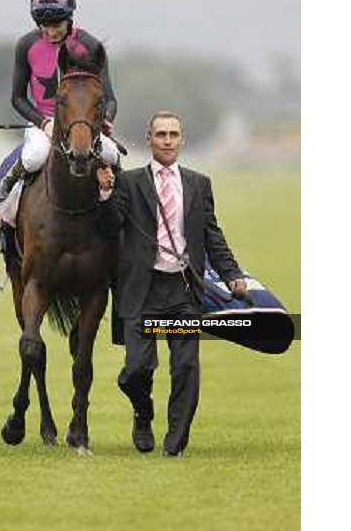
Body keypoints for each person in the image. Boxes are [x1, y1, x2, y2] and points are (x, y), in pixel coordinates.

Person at [96, 111, 247, 457]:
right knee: (136, 370)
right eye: (160, 134)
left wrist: (232, 275)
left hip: (182, 291)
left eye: (173, 134)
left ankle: (175, 442)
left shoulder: (199, 183)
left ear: (182, 140)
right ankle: (142, 411)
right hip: (141, 290)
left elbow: (212, 236)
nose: (167, 140)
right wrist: (104, 194)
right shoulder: (129, 183)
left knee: (185, 365)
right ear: (148, 140)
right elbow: (108, 228)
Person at [0, 0, 120, 233]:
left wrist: (105, 120)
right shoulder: (26, 45)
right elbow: (17, 98)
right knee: (35, 154)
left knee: (112, 154)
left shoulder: (90, 46)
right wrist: (43, 122)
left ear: (69, 18)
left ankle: (122, 218)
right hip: (43, 122)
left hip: (83, 122)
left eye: (56, 26)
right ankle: (6, 203)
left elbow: (110, 98)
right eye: (44, 27)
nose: (50, 33)